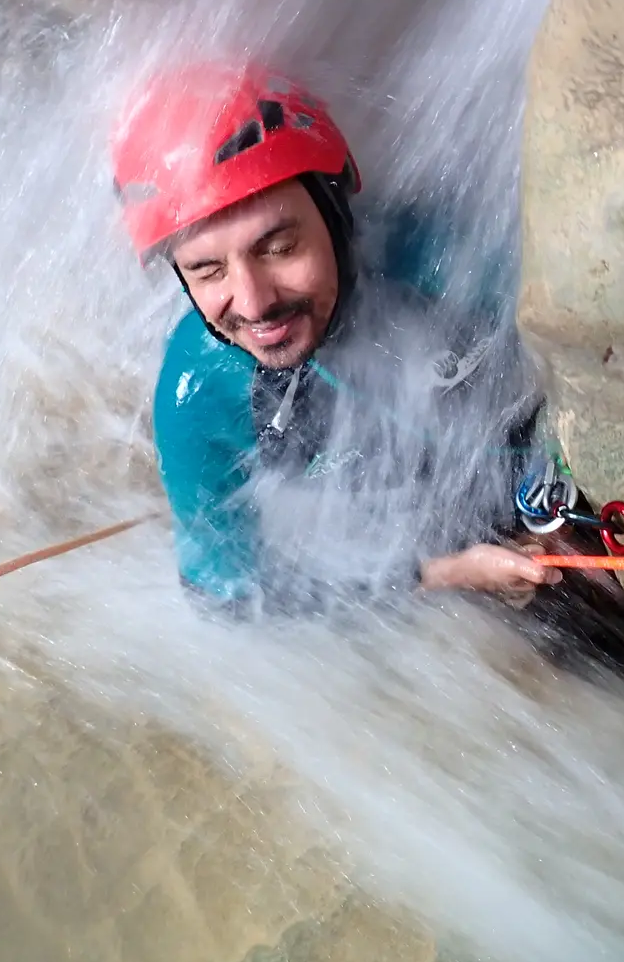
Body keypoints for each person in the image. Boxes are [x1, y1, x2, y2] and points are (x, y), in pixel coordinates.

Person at [110, 59, 563, 617]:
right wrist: (434, 574)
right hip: (444, 559)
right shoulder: (198, 395)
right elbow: (225, 595)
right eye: (208, 272)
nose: (254, 305)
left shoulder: (452, 270)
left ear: (336, 212)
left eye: (279, 248)